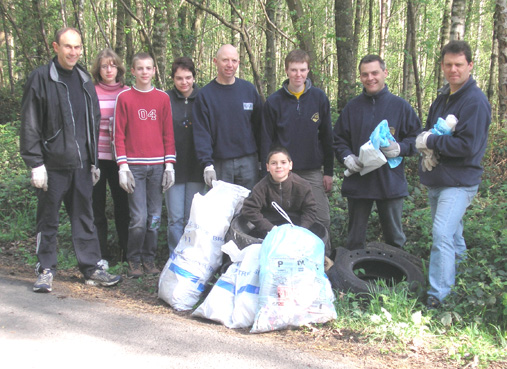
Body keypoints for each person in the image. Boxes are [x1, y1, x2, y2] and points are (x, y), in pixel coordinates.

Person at [19, 27, 122, 292]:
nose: (73, 52)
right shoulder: (41, 78)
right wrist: (35, 163)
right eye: (67, 46)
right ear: (56, 47)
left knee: (85, 218)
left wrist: (93, 162)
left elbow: (94, 120)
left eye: (77, 47)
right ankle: (45, 269)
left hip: (82, 165)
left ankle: (90, 268)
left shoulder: (85, 80)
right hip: (51, 166)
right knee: (48, 219)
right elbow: (30, 122)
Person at [416, 41, 491, 308]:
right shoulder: (443, 97)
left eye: (459, 64)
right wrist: (426, 146)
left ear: (470, 65)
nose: (453, 70)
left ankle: (439, 297)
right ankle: (464, 286)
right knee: (454, 235)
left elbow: (469, 146)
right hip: (438, 178)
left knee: (442, 235)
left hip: (459, 182)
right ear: (442, 67)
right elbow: (428, 131)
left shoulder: (475, 101)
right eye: (448, 64)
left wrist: (434, 143)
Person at [333, 54, 421, 251]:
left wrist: (400, 148)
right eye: (365, 74)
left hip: (389, 182)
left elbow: (417, 139)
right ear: (360, 77)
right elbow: (338, 139)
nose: (370, 78)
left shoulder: (400, 107)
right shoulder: (352, 108)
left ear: (385, 73)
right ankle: (352, 278)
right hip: (359, 180)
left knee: (395, 238)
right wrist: (346, 156)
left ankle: (398, 279)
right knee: (355, 240)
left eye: (375, 73)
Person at [261, 49, 334, 250]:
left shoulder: (319, 98)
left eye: (302, 70)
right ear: (286, 70)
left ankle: (323, 259)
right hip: (281, 171)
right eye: (294, 70)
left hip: (311, 170)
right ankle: (285, 258)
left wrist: (328, 172)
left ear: (308, 70)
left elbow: (327, 137)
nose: (298, 75)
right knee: (283, 218)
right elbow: (266, 140)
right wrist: (267, 170)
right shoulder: (274, 102)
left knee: (321, 218)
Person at [113, 52, 176, 278]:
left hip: (157, 167)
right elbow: (118, 135)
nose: (144, 72)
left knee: (155, 217)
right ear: (132, 71)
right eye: (140, 68)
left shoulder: (162, 98)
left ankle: (150, 259)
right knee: (138, 218)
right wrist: (123, 166)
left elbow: (168, 134)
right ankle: (134, 259)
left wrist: (169, 165)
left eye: (148, 68)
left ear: (154, 70)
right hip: (135, 167)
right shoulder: (125, 98)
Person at [193, 44, 262, 190]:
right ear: (215, 61)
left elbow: (260, 127)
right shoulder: (205, 95)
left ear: (238, 62)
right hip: (220, 163)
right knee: (221, 210)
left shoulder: (249, 90)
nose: (230, 65)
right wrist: (207, 164)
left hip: (248, 162)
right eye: (225, 60)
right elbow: (201, 133)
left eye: (234, 60)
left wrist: (264, 159)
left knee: (249, 208)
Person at [90, 48, 130, 265]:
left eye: (112, 65)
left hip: (120, 159)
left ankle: (125, 251)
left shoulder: (126, 92)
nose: (108, 69)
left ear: (119, 68)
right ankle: (101, 254)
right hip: (97, 158)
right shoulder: (91, 91)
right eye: (104, 65)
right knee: (97, 207)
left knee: (122, 206)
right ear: (99, 69)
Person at [164, 57, 205, 256]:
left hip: (197, 166)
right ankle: (174, 255)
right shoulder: (165, 99)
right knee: (175, 217)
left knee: (193, 216)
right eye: (179, 78)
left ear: (193, 77)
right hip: (174, 166)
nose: (184, 82)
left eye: (188, 77)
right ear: (172, 79)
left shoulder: (203, 98)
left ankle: (192, 255)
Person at [241, 147, 317, 238]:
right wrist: (271, 229)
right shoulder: (261, 187)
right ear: (268, 167)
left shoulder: (303, 186)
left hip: (296, 226)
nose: (279, 166)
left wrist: (301, 229)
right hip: (269, 227)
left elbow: (310, 211)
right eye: (274, 163)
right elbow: (249, 210)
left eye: (283, 162)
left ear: (290, 165)